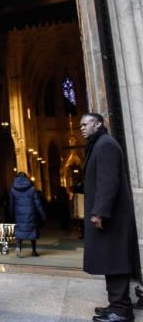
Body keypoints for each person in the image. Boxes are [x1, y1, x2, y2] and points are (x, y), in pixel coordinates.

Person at [80, 112, 140, 322]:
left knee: (115, 262)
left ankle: (122, 311)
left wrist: (99, 212)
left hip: (111, 219)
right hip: (108, 218)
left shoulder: (105, 145)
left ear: (98, 124)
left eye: (86, 124)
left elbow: (108, 182)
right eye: (81, 125)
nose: (82, 127)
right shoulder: (99, 144)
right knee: (110, 262)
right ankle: (116, 305)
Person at [10, 172, 46, 258]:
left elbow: (11, 204)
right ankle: (34, 251)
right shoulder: (32, 189)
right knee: (32, 232)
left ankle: (18, 246)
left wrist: (11, 214)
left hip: (19, 213)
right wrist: (42, 214)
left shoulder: (13, 190)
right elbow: (38, 203)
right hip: (31, 213)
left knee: (20, 231)